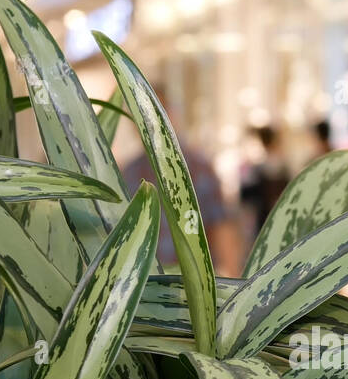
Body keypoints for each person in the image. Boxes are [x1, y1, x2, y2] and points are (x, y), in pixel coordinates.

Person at [120, 88, 243, 276]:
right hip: (144, 286)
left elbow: (221, 228)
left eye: (157, 112)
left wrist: (235, 288)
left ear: (171, 114)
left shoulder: (199, 169)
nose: (148, 121)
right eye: (139, 114)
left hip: (192, 286)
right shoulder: (129, 173)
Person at [239, 125, 290, 236]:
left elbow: (246, 195)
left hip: (265, 215)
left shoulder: (260, 167)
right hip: (280, 213)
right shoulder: (283, 164)